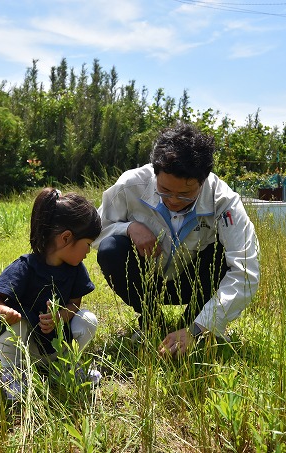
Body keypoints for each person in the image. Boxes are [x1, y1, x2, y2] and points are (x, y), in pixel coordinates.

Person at [94, 122, 260, 357]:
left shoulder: (224, 201)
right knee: (111, 249)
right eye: (164, 190)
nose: (172, 200)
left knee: (222, 255)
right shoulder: (130, 185)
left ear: (203, 181)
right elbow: (96, 231)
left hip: (193, 284)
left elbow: (245, 273)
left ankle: (193, 326)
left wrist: (196, 328)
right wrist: (129, 227)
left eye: (185, 194)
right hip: (148, 280)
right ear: (155, 172)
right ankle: (152, 321)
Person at [0, 188, 102, 401]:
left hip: (56, 346)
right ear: (66, 238)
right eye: (87, 244)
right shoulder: (26, 267)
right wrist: (5, 311)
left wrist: (61, 316)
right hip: (26, 347)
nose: (88, 251)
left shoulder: (75, 269)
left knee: (88, 319)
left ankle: (66, 368)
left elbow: (75, 303)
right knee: (16, 323)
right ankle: (14, 375)